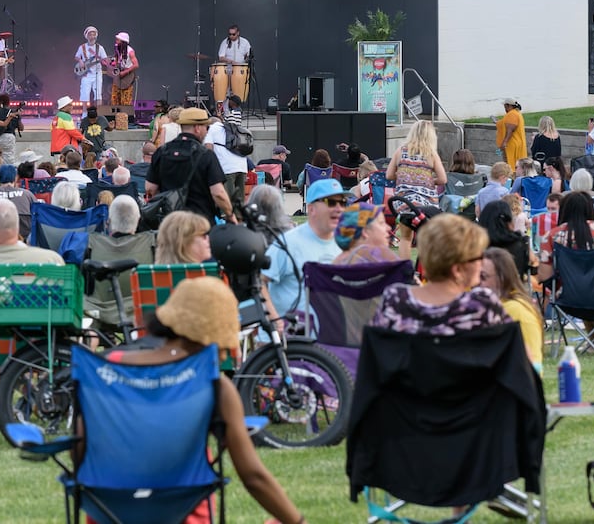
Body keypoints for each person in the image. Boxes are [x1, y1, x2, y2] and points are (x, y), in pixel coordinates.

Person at [100, 277, 305, 524]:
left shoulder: (107, 370)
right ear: (219, 337)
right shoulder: (213, 385)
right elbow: (253, 476)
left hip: (112, 514)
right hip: (186, 516)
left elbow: (81, 453)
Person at [370, 214, 509, 335]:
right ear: (457, 270)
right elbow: (519, 356)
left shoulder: (395, 300)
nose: (483, 263)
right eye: (478, 258)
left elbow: (375, 353)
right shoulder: (482, 305)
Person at [263, 178, 346, 324]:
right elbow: (259, 282)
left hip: (328, 338)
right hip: (289, 339)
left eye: (342, 202)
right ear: (311, 208)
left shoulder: (343, 244)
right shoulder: (287, 243)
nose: (338, 208)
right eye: (331, 203)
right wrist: (274, 319)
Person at [145, 107, 230, 222]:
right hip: (200, 222)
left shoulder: (161, 152)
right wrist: (231, 215)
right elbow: (218, 193)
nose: (207, 131)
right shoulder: (206, 155)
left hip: (170, 221)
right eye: (207, 127)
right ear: (197, 128)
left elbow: (150, 189)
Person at [385, 120, 448, 258]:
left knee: (406, 238)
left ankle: (404, 269)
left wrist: (406, 178)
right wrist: (428, 180)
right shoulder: (431, 154)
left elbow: (389, 175)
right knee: (426, 238)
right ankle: (424, 270)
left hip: (403, 203)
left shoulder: (401, 151)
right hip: (425, 205)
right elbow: (443, 179)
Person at [480, 247, 543, 371]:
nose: (476, 282)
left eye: (483, 276)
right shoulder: (494, 304)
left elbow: (533, 366)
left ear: (502, 277)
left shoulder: (516, 310)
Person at [536, 187, 594, 282]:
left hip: (565, 292)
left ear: (563, 211)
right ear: (590, 210)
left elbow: (544, 277)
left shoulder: (553, 236)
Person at [477, 198, 533, 284]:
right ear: (509, 220)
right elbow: (533, 269)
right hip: (512, 289)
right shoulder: (520, 243)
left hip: (481, 290)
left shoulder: (476, 244)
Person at [334, 201, 403, 267]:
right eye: (381, 223)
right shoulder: (382, 264)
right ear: (365, 232)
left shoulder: (336, 266)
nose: (389, 228)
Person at [212, 23, 253, 116]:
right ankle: (225, 111)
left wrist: (246, 59)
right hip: (227, 68)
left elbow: (249, 54)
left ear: (238, 33)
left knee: (237, 90)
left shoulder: (244, 42)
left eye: (233, 34)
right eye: (229, 34)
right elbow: (221, 57)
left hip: (240, 68)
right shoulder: (225, 42)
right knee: (226, 90)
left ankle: (237, 110)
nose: (231, 36)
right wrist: (231, 61)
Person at [74, 26, 110, 106]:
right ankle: (84, 113)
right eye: (90, 35)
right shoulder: (82, 47)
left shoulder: (100, 48)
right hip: (86, 74)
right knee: (84, 93)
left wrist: (107, 62)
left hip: (97, 73)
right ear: (87, 36)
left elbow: (105, 60)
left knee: (98, 94)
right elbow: (76, 57)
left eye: (94, 35)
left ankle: (98, 113)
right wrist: (80, 61)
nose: (92, 36)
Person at [108, 30, 139, 109]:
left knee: (125, 101)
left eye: (118, 40)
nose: (116, 41)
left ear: (123, 41)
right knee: (115, 100)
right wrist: (111, 64)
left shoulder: (130, 51)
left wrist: (126, 72)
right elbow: (117, 63)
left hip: (127, 78)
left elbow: (136, 65)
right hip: (118, 77)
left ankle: (125, 118)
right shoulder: (118, 51)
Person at [495, 98, 526, 168]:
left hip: (510, 145)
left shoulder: (512, 115)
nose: (504, 108)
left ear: (508, 105)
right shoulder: (515, 113)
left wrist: (504, 142)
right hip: (511, 144)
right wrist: (498, 122)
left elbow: (510, 130)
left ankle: (510, 177)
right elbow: (505, 123)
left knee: (509, 164)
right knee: (508, 163)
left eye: (505, 106)